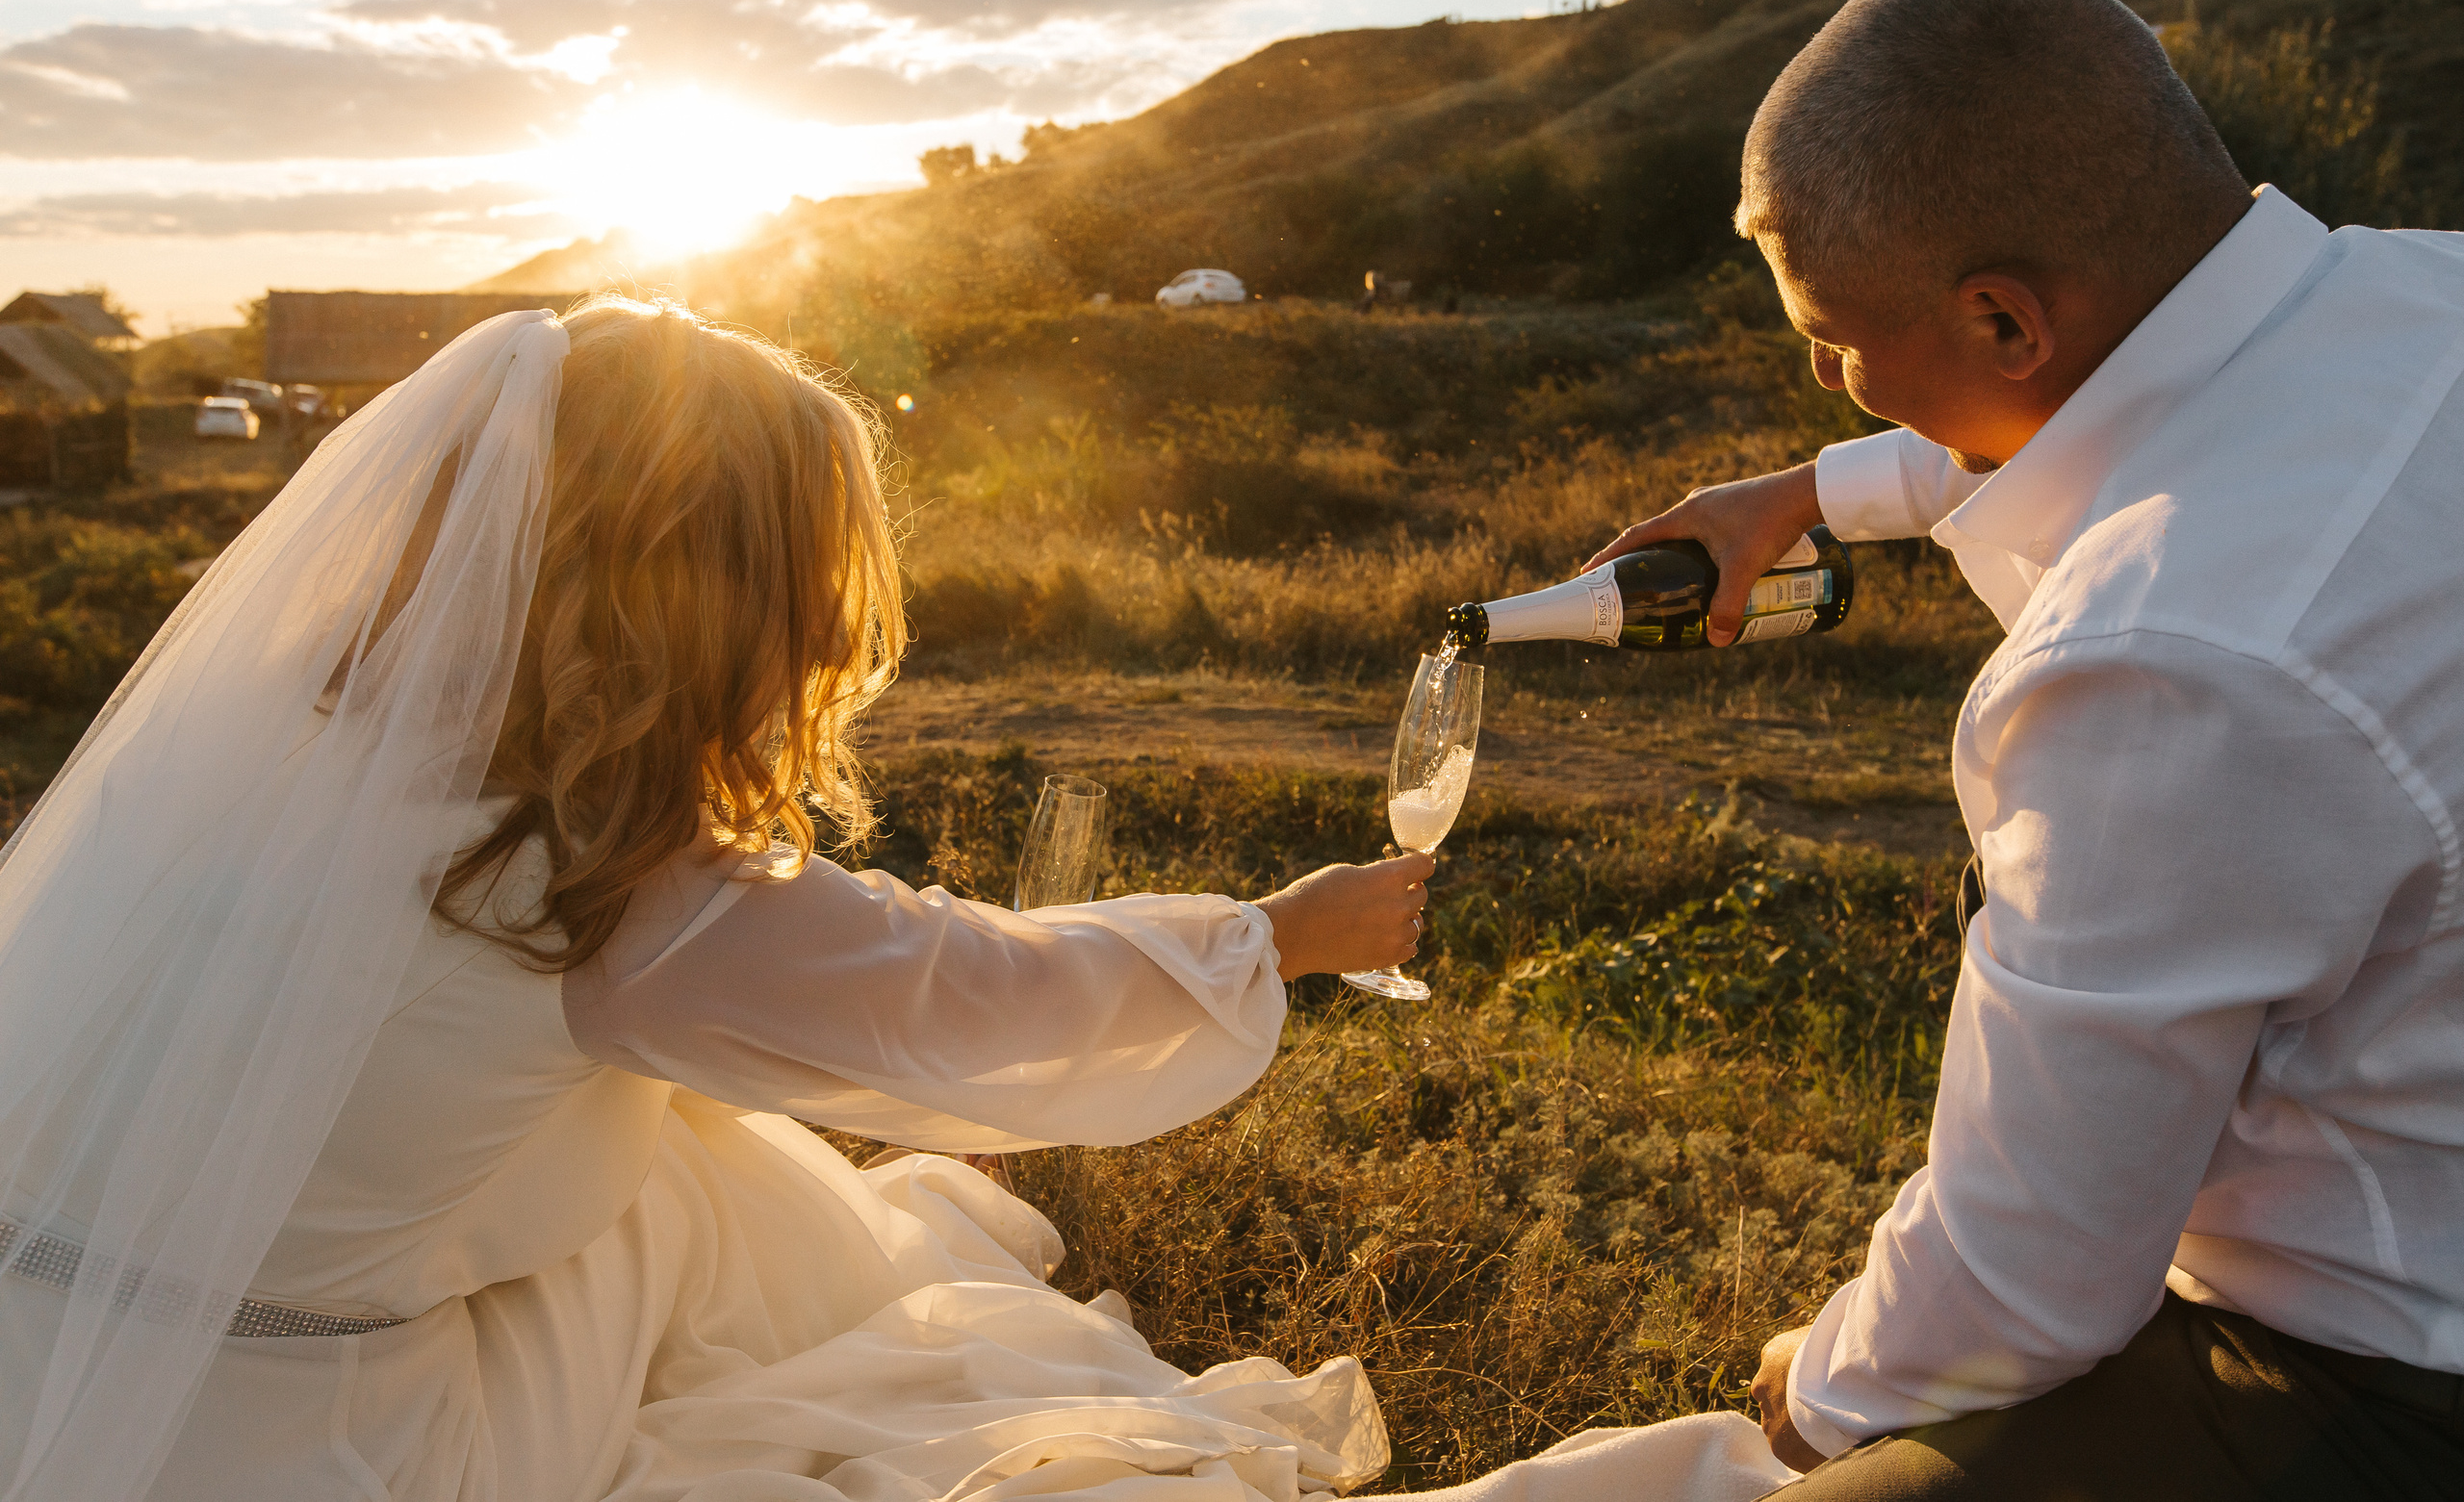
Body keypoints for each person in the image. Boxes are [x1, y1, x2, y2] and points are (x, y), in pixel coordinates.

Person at [0, 296, 1441, 1500]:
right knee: (686, 1184)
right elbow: (977, 993)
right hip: (314, 1449)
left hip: (32, 1371)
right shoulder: (608, 886)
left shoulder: (277, 749)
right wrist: (1278, 934)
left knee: (673, 1125)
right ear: (733, 593)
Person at [1589, 0, 2464, 1498]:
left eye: (1840, 341)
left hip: (2386, 1372)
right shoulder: (2411, 293)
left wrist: (1822, 1387)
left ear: (2003, 322)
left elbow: (2031, 1278)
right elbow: (2142, 399)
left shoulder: (2171, 661)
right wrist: (1810, 489)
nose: (1829, 374)